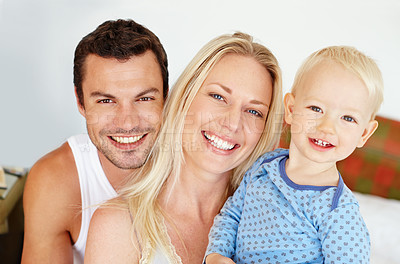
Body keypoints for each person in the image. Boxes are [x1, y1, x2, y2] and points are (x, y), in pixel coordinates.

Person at [84, 32, 283, 264]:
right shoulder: (119, 224)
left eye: (254, 111)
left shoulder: (272, 228)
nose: (233, 123)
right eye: (218, 96)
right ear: (185, 96)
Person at [205, 46, 384, 264]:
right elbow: (232, 215)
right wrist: (216, 254)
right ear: (290, 109)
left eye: (348, 118)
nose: (327, 127)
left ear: (364, 133)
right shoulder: (264, 165)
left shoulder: (338, 213)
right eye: (316, 109)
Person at [21, 19, 168, 264]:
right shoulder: (56, 180)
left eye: (144, 99)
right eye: (106, 101)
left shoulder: (202, 163)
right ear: (80, 102)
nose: (128, 122)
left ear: (166, 96)